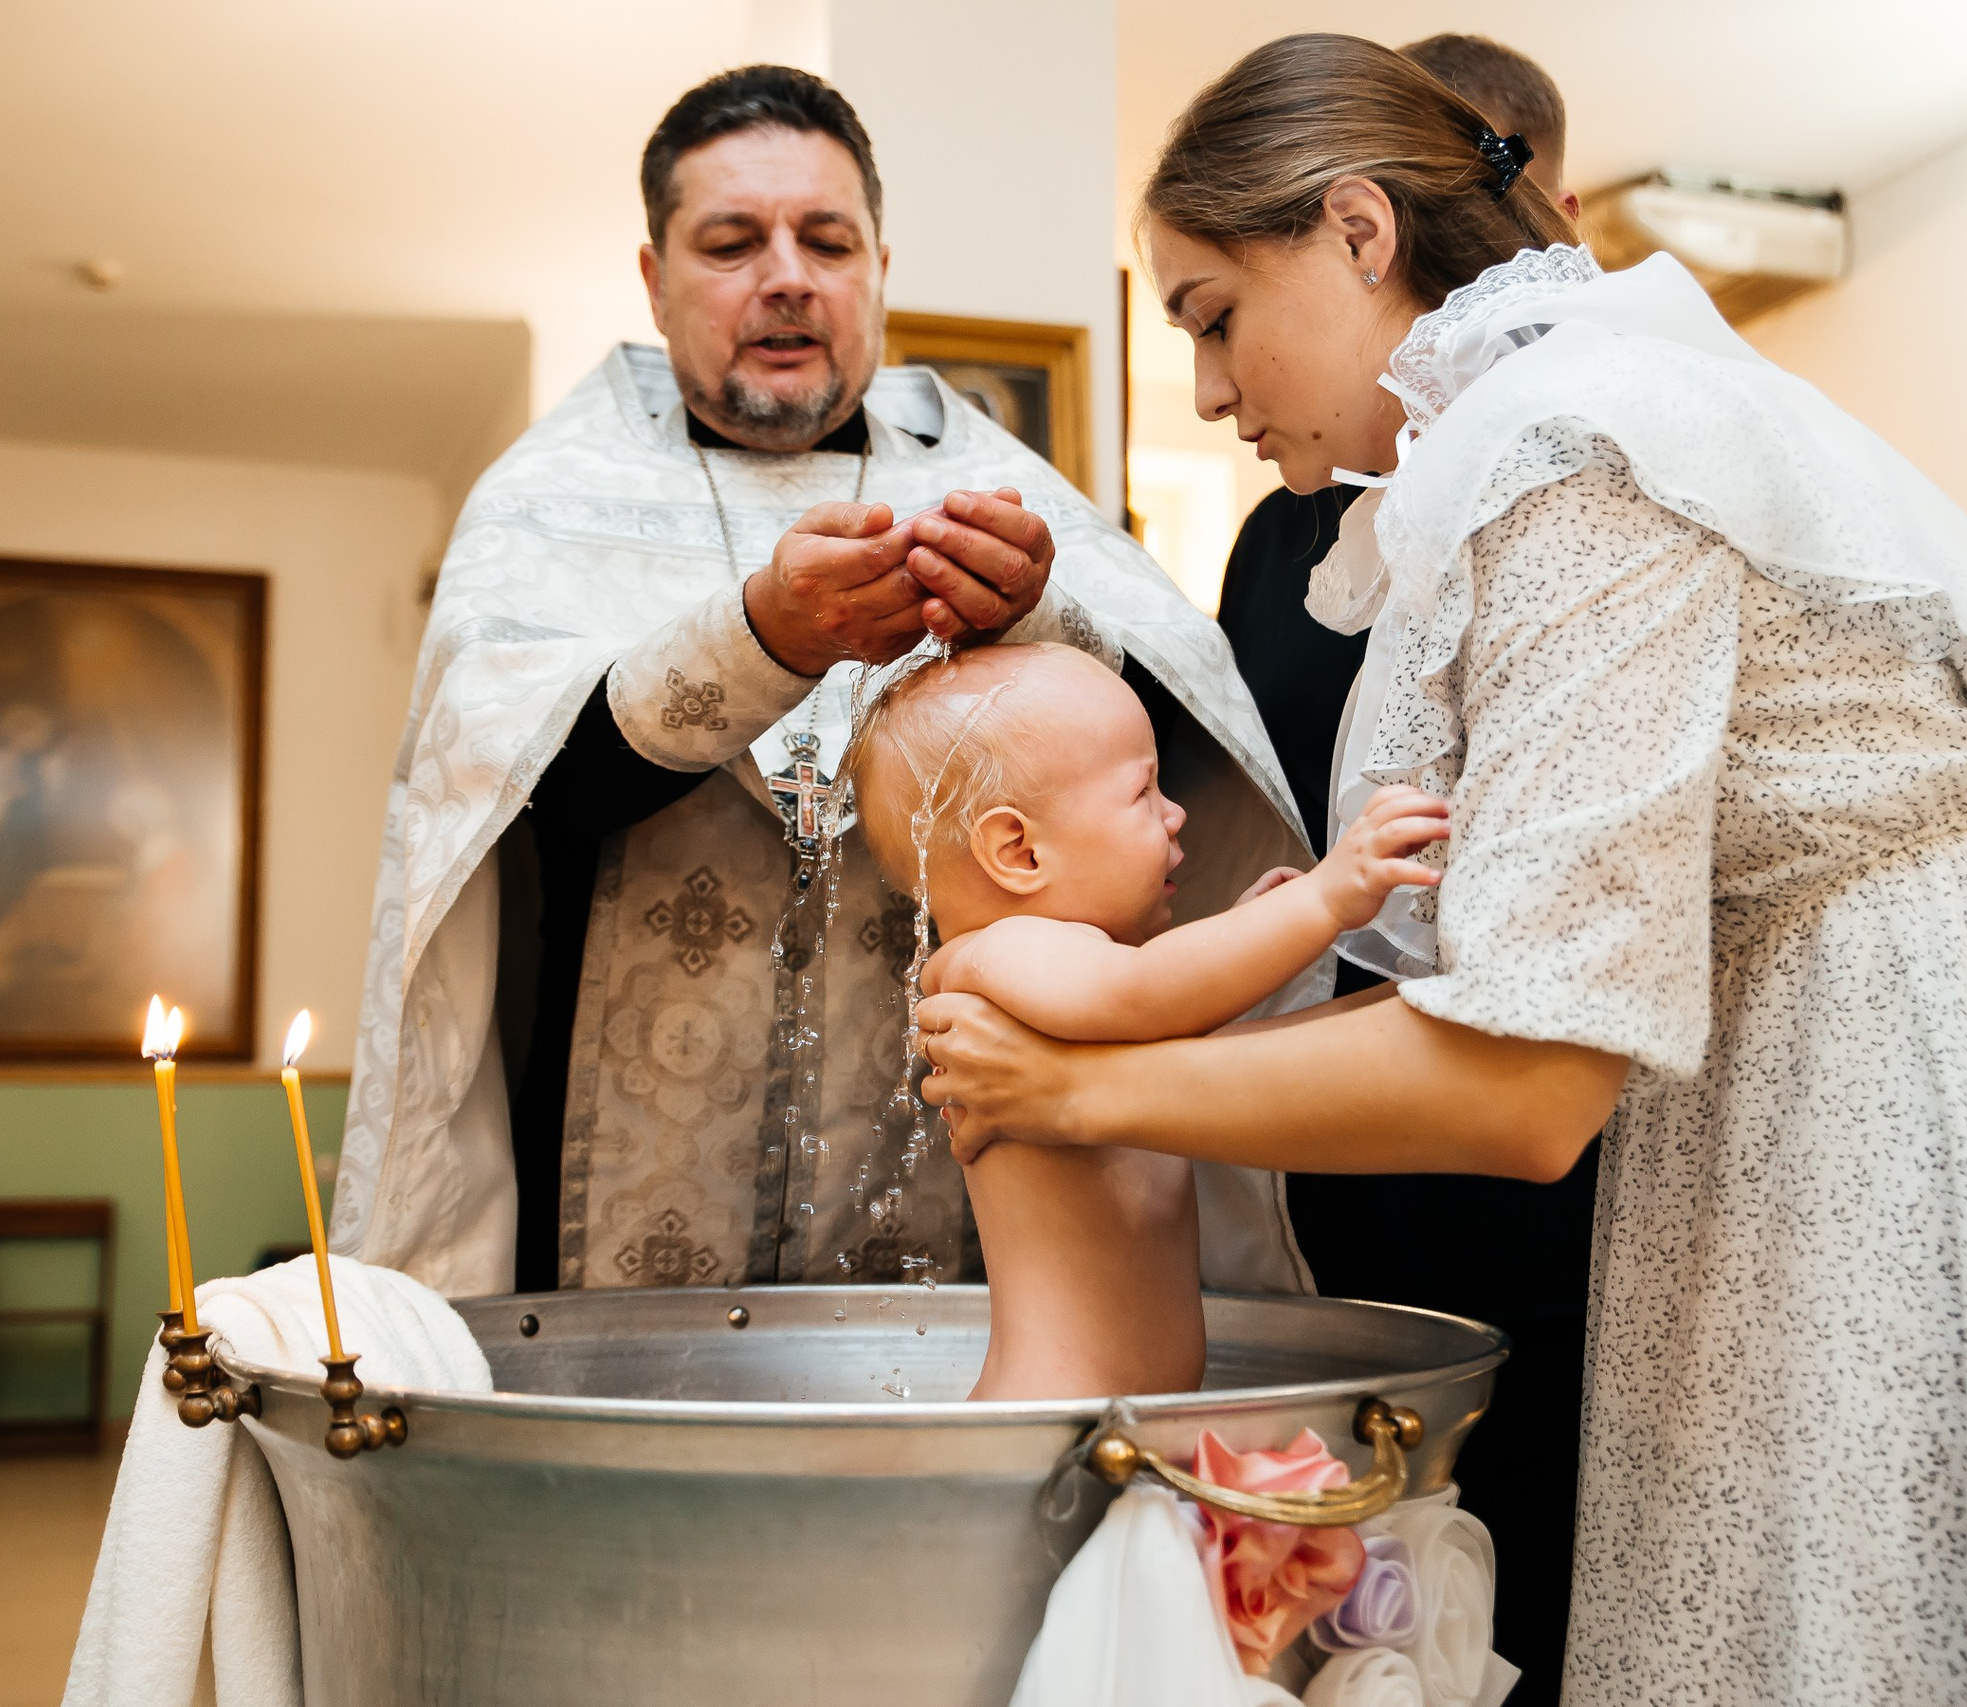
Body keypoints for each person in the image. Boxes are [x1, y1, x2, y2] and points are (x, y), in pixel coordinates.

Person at [918, 32, 1967, 1703]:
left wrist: (1077, 1091)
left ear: (1358, 230)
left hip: (1907, 1098)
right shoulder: (1545, 429)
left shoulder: (1572, 453)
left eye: (1213, 315)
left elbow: (1524, 1083)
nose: (1215, 390)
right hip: (1798, 1078)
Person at [329, 65, 1314, 1302]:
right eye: (733, 242)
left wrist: (1037, 619)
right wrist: (761, 640)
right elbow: (509, 801)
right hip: (609, 1200)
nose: (786, 276)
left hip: (946, 1173)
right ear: (655, 280)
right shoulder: (546, 498)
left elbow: (1174, 760)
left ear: (877, 271)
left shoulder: (998, 481)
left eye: (826, 241)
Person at [1208, 31, 1590, 1705]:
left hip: (1564, 1110)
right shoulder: (1291, 533)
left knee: (1569, 1561)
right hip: (1349, 1125)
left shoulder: (1573, 471)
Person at [841, 641, 1448, 1398]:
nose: (1176, 812)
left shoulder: (1064, 978)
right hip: (1049, 1413)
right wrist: (1322, 899)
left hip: (1116, 1416)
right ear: (1020, 850)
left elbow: (1158, 1039)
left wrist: (1249, 929)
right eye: (1144, 792)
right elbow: (1143, 994)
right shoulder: (996, 958)